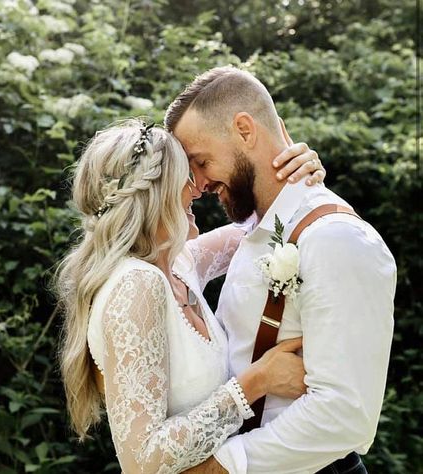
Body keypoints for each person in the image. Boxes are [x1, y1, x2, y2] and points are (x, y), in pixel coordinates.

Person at [55, 119, 325, 473]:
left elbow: (263, 229)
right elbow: (143, 461)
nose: (198, 189)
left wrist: (299, 176)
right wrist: (257, 382)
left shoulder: (179, 264)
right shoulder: (137, 285)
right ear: (156, 193)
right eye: (187, 178)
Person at [165, 66, 397, 474]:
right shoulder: (259, 229)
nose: (198, 183)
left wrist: (222, 466)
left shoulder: (336, 240)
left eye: (201, 161)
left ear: (244, 130)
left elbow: (345, 413)